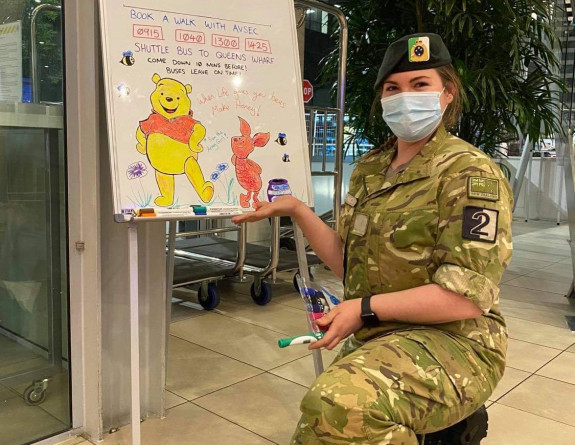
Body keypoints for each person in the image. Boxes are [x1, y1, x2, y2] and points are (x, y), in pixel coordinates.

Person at [232, 33, 512, 445]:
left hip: (457, 340)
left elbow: (465, 298)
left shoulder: (469, 174)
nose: (404, 98)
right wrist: (299, 210)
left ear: (447, 93)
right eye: (393, 88)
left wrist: (363, 308)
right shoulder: (372, 167)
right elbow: (350, 263)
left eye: (420, 85)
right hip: (383, 333)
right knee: (320, 424)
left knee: (341, 406)